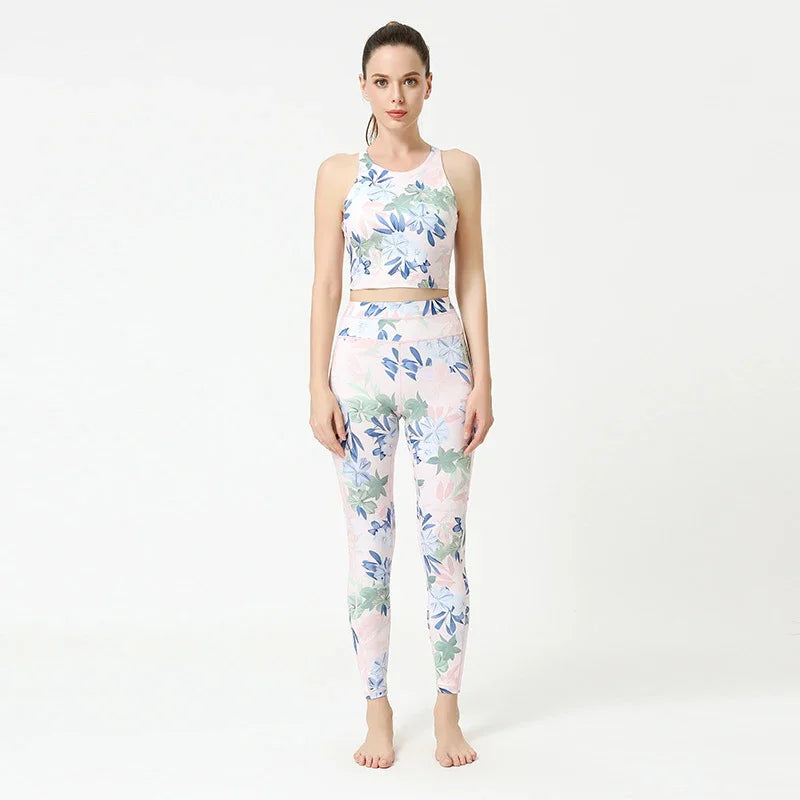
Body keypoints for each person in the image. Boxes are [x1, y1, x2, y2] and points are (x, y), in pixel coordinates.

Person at [309, 20, 493, 769]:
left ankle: (447, 709)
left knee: (444, 543)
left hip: (442, 368)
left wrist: (484, 379)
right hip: (359, 370)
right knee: (369, 546)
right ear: (363, 88)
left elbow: (472, 276)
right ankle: (377, 709)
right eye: (382, 81)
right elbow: (326, 283)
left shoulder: (458, 169)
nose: (396, 94)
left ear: (427, 86)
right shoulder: (338, 174)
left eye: (409, 80)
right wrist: (316, 384)